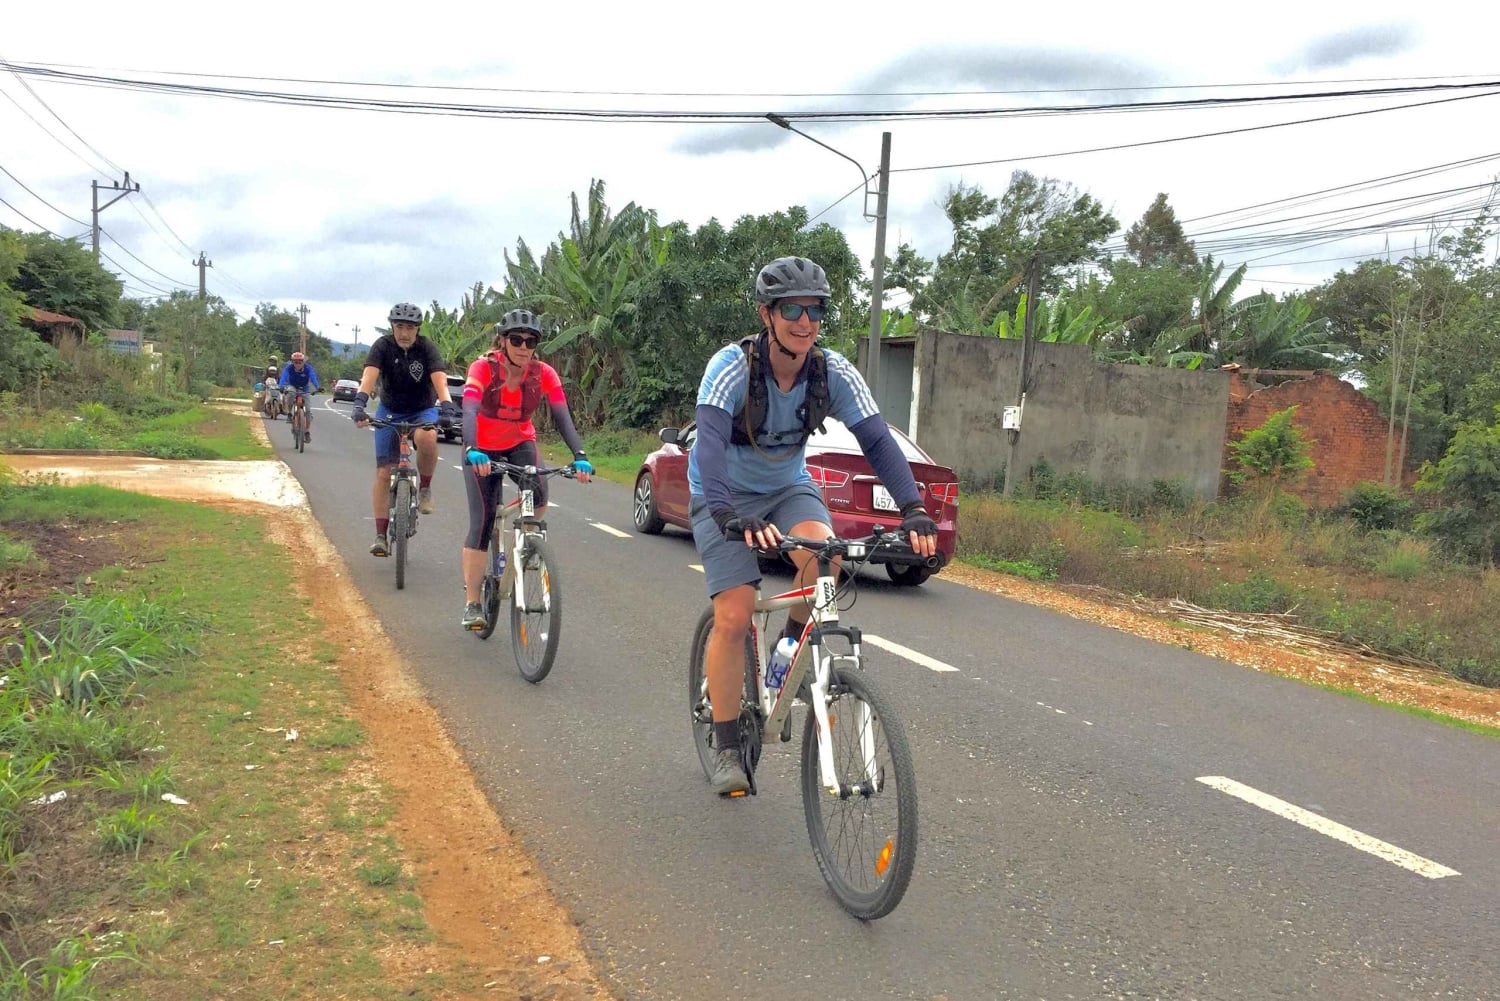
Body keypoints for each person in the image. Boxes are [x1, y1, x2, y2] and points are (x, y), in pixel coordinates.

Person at [689, 256, 939, 795]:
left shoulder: (833, 372)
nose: (805, 322)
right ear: (767, 314)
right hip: (722, 494)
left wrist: (913, 508)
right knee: (733, 613)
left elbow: (878, 442)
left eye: (816, 310)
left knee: (826, 558)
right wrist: (728, 513)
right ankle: (727, 742)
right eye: (792, 310)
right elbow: (708, 445)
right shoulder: (731, 368)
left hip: (786, 488)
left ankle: (786, 651)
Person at [458, 309, 593, 629]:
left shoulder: (544, 373)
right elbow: (469, 409)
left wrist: (580, 454)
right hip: (483, 449)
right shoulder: (483, 367)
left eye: (530, 341)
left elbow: (562, 415)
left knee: (541, 493)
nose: (523, 346)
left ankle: (527, 541)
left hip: (520, 443)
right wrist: (472, 448)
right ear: (503, 341)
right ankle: (473, 602)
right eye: (516, 339)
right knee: (482, 521)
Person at [350, 303, 459, 556]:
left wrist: (447, 405)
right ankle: (380, 535)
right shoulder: (383, 346)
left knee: (429, 436)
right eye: (399, 326)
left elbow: (439, 379)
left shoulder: (427, 347)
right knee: (383, 472)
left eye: (409, 327)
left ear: (417, 329)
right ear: (392, 327)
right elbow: (369, 376)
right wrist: (359, 403)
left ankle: (425, 488)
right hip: (390, 410)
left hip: (422, 410)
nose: (404, 333)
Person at [278, 351, 323, 440]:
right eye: (295, 362)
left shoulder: (308, 368)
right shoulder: (289, 368)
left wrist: (318, 387)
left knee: (308, 411)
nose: (298, 364)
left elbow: (313, 377)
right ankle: (290, 413)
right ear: (292, 362)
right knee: (290, 393)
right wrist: (281, 386)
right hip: (292, 386)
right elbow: (283, 377)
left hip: (304, 388)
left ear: (303, 362)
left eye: (300, 362)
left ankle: (307, 431)